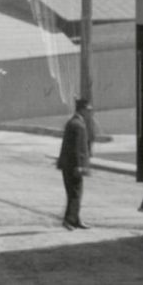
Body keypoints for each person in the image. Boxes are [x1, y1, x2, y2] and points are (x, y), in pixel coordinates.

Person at [56, 98, 91, 230]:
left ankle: (75, 219)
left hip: (68, 165)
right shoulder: (78, 125)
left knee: (74, 192)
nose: (89, 113)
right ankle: (69, 220)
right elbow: (77, 148)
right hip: (73, 166)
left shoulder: (73, 122)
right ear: (82, 110)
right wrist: (79, 166)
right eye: (88, 110)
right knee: (75, 193)